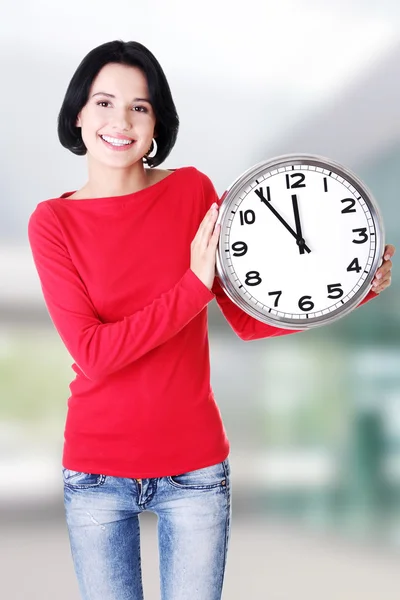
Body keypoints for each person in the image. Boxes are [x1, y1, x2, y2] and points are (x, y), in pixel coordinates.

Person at [27, 40, 395, 600]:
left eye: (140, 107)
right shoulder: (52, 222)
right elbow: (95, 352)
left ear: (156, 124)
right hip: (96, 473)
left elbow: (247, 319)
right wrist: (191, 287)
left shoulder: (193, 191)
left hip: (194, 472)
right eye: (104, 103)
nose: (120, 121)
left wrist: (350, 293)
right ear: (78, 113)